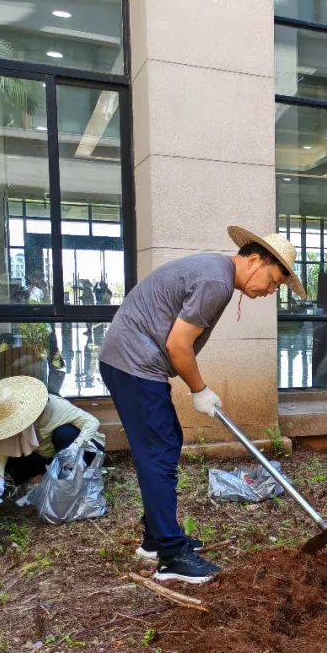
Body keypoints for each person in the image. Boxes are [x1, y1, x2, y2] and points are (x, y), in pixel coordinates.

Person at [99, 226, 305, 583]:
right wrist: (200, 390)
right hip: (133, 361)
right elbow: (178, 345)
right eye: (273, 281)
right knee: (160, 450)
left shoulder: (216, 273)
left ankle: (155, 536)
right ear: (256, 261)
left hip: (127, 358)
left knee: (164, 443)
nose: (271, 291)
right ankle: (171, 555)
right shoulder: (216, 281)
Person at [0, 376, 104, 504]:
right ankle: (30, 483)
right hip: (44, 458)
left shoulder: (55, 406)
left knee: (64, 434)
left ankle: (72, 482)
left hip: (77, 452)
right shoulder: (6, 426)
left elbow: (91, 422)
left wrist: (75, 446)